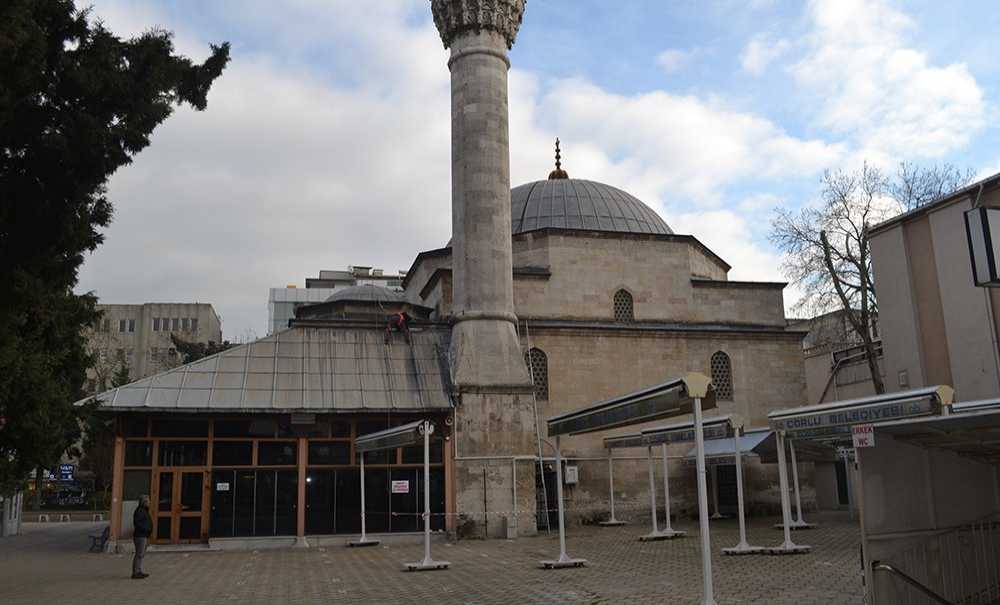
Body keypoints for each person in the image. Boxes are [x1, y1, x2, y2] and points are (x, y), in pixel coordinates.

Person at [132, 495, 152, 579]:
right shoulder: (139, 511)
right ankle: (136, 572)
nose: (149, 503)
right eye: (148, 501)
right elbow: (138, 523)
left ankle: (139, 570)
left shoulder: (144, 510)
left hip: (144, 535)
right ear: (144, 502)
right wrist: (145, 529)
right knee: (139, 554)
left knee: (141, 554)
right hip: (140, 536)